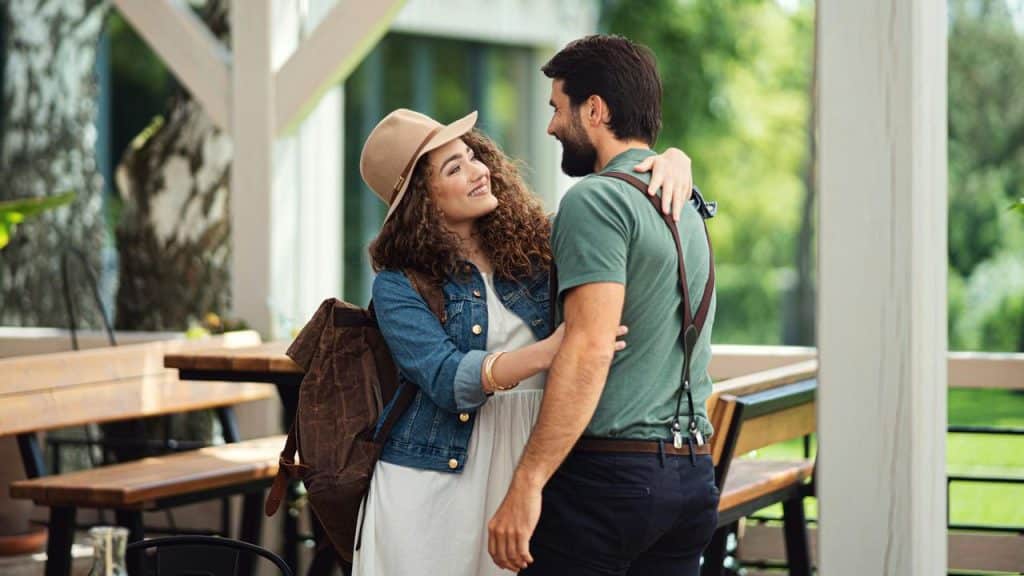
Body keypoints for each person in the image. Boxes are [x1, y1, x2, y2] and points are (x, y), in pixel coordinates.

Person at [351, 107, 696, 576]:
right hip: (434, 482)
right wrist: (552, 350)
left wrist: (674, 160)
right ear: (421, 202)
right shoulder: (398, 285)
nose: (479, 171)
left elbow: (620, 222)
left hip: (531, 465)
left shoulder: (540, 242)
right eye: (455, 168)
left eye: (473, 156)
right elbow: (445, 378)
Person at [487, 34, 718, 576]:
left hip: (610, 484)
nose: (549, 126)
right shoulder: (683, 200)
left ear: (594, 109)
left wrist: (528, 481)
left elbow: (589, 347)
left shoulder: (596, 199)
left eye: (556, 108)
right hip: (689, 477)